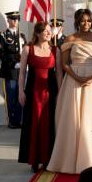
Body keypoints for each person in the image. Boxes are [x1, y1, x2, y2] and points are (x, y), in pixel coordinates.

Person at [47, 8, 92, 174]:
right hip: (73, 82)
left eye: (89, 20)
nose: (86, 24)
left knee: (91, 118)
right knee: (73, 119)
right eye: (83, 20)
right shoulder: (70, 38)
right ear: (77, 22)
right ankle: (68, 160)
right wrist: (77, 77)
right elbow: (64, 64)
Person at [18, 21, 63, 172]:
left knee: (49, 125)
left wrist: (60, 93)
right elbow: (22, 72)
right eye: (45, 30)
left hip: (50, 93)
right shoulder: (27, 49)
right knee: (34, 124)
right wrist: (20, 91)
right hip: (32, 93)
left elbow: (59, 74)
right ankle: (34, 160)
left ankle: (47, 159)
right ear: (37, 33)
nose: (48, 33)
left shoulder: (56, 50)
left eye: (50, 30)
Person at [0, 11, 27, 129]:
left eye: (17, 19)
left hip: (22, 70)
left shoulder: (22, 36)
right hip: (10, 70)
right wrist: (13, 62)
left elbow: (25, 51)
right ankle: (12, 121)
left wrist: (23, 62)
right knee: (11, 96)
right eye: (13, 19)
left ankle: (18, 120)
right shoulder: (3, 35)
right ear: (8, 20)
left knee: (21, 95)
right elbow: (1, 52)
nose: (15, 21)